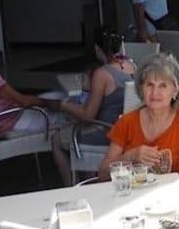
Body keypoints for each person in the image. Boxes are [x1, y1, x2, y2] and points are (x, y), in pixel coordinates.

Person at [98, 53, 179, 185]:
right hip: (131, 198)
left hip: (171, 198)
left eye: (163, 86)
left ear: (176, 91)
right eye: (149, 85)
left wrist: (161, 192)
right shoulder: (127, 122)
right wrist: (131, 156)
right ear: (141, 89)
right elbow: (103, 174)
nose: (155, 93)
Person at [50, 26, 136, 186]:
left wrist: (64, 106)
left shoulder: (102, 74)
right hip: (126, 132)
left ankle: (70, 188)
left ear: (97, 49)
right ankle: (89, 183)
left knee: (57, 139)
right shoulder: (132, 66)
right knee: (78, 128)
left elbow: (87, 115)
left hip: (107, 132)